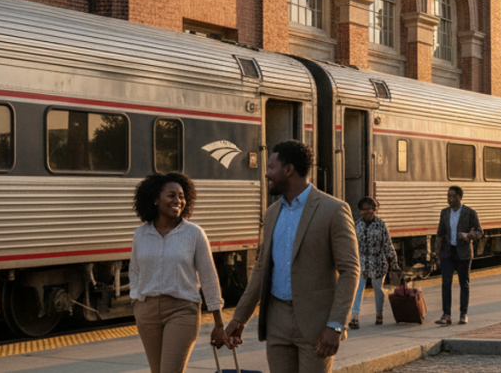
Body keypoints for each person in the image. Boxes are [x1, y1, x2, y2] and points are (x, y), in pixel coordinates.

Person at [224, 140, 359, 373]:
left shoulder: (333, 209)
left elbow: (349, 270)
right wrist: (239, 318)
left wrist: (335, 325)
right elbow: (261, 268)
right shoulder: (272, 212)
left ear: (288, 170)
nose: (267, 174)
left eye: (271, 167)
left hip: (316, 323)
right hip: (277, 321)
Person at [129, 172, 224, 373]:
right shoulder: (141, 234)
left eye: (181, 196)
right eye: (171, 195)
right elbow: (134, 271)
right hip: (147, 313)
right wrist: (136, 303)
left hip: (182, 311)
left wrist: (219, 323)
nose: (178, 201)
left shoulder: (194, 233)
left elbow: (209, 278)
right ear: (156, 199)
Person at [435, 185, 483, 326]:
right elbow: (439, 234)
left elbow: (480, 232)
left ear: (459, 197)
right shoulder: (444, 213)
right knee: (446, 283)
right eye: (448, 196)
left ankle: (463, 314)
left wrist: (468, 236)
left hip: (463, 253)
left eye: (452, 196)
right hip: (447, 253)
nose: (449, 199)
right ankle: (446, 315)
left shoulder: (469, 213)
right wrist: (437, 254)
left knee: (464, 284)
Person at [349, 197, 398, 329]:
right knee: (358, 289)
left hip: (378, 262)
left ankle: (379, 314)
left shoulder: (380, 224)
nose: (368, 212)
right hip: (362, 262)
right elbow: (351, 245)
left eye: (371, 209)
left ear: (375, 210)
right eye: (365, 209)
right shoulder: (356, 225)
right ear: (360, 211)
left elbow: (388, 244)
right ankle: (354, 317)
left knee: (378, 289)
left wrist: (394, 262)